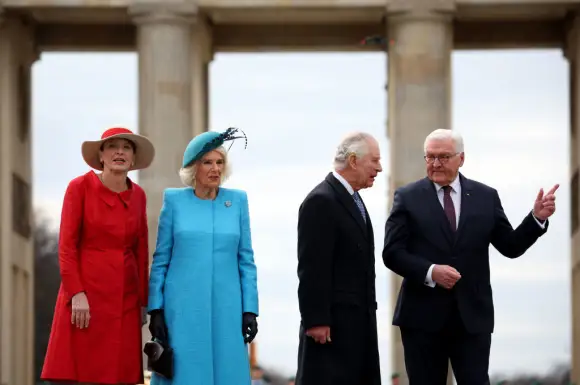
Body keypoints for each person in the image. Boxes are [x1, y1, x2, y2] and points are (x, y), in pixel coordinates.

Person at [382, 128, 559, 385]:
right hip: (422, 318)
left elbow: (510, 246)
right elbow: (392, 253)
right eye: (429, 157)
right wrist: (431, 271)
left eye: (443, 157)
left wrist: (536, 219)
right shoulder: (407, 197)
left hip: (472, 318)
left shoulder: (486, 197)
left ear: (461, 159)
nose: (435, 163)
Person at [41, 127, 155, 385]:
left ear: (133, 158)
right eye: (112, 146)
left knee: (118, 375)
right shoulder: (79, 187)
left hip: (125, 297)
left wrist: (142, 301)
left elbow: (140, 250)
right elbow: (66, 246)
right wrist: (76, 292)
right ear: (101, 155)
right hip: (85, 294)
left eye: (127, 148)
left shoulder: (138, 195)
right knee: (80, 372)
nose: (119, 152)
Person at [147, 127, 259, 385]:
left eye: (219, 162)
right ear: (193, 168)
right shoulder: (174, 201)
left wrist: (250, 310)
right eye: (207, 162)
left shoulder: (238, 201)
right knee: (187, 374)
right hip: (182, 309)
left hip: (228, 309)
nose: (215, 169)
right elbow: (161, 260)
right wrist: (156, 309)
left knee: (228, 373)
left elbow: (246, 261)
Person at [295, 132, 383, 385]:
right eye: (374, 160)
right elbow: (312, 266)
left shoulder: (353, 199)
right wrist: (316, 320)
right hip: (331, 329)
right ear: (354, 161)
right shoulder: (321, 200)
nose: (379, 168)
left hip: (358, 325)